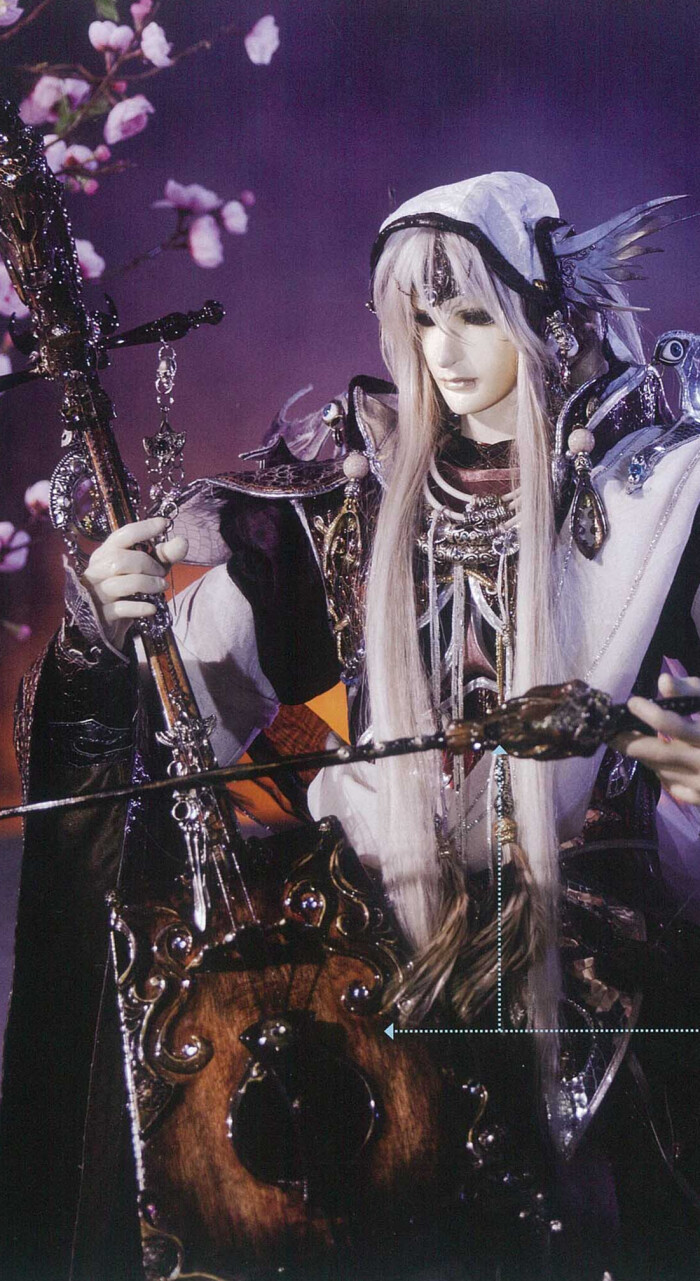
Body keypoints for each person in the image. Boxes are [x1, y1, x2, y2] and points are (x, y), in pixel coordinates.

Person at [4, 170, 700, 1280]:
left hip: (610, 995)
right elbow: (180, 720)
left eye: (471, 313)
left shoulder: (659, 503)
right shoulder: (348, 512)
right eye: (419, 319)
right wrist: (105, 630)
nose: (443, 349)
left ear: (542, 312)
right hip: (383, 986)